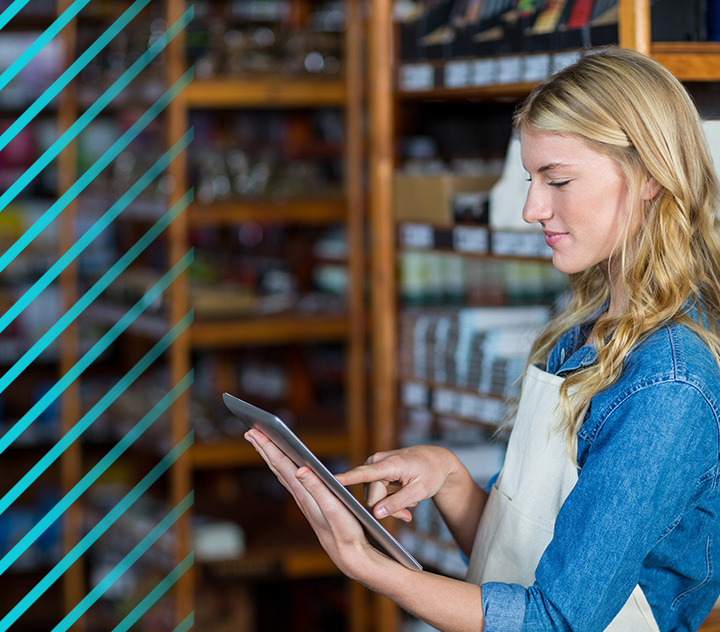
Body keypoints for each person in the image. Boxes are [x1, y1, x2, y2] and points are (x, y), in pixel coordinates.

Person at [244, 47, 720, 632]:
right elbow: (520, 564)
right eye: (530, 178)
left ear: (649, 175)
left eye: (558, 179)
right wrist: (448, 477)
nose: (530, 208)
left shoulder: (668, 383)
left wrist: (369, 567)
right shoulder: (576, 337)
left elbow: (555, 621)